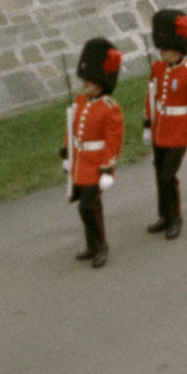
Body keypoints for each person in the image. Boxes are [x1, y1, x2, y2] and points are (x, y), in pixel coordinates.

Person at [143, 9, 187, 240]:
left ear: (178, 48)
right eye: (162, 49)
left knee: (168, 176)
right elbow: (151, 97)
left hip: (179, 131)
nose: (163, 54)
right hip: (160, 128)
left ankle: (175, 217)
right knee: (159, 173)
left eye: (167, 50)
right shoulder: (158, 68)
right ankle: (164, 215)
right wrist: (147, 123)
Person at [60, 38, 124, 268]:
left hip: (97, 164)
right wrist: (67, 153)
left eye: (90, 80)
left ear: (101, 81)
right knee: (88, 206)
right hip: (81, 163)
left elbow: (113, 141)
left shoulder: (109, 107)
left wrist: (108, 167)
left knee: (88, 205)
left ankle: (102, 246)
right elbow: (71, 129)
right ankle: (92, 245)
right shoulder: (80, 103)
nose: (85, 83)